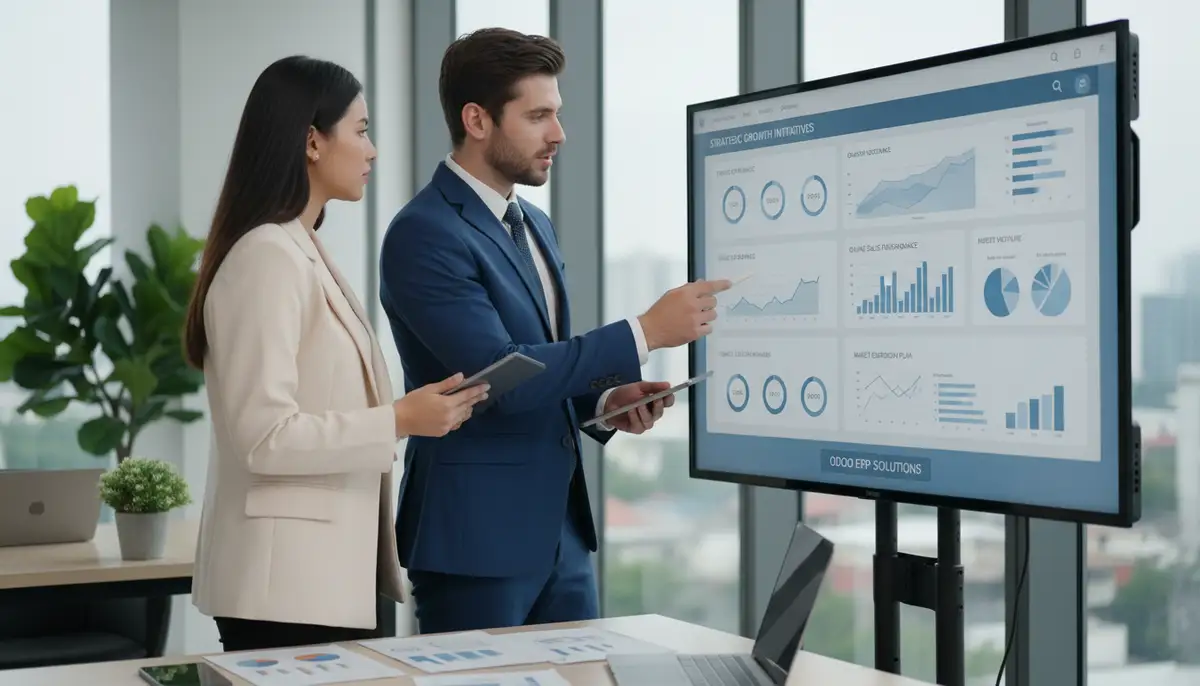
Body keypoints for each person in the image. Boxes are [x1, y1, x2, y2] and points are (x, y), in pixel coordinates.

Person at [378, 28, 730, 634]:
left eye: (558, 114)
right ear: (477, 120)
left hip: (564, 537)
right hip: (476, 544)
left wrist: (600, 400)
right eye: (538, 115)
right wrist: (643, 332)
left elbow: (541, 360)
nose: (558, 134)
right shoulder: (425, 233)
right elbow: (499, 375)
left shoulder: (534, 223)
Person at [182, 55, 488, 652]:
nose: (372, 150)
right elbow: (263, 436)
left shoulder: (302, 247)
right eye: (362, 130)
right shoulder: (267, 256)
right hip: (284, 590)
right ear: (312, 141)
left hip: (323, 579)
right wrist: (399, 419)